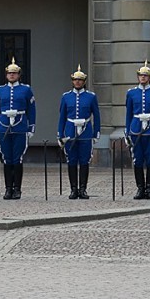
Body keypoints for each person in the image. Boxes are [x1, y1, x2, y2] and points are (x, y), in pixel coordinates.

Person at [0, 58, 36, 200]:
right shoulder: (0, 90)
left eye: (14, 73)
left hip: (20, 125)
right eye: (9, 73)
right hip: (4, 125)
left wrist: (31, 127)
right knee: (6, 158)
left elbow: (31, 109)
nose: (12, 75)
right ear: (6, 75)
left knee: (17, 158)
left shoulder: (26, 89)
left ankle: (17, 189)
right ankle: (8, 188)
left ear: (19, 75)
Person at [57, 65, 101, 199]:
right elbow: (62, 117)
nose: (77, 82)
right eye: (75, 80)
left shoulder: (91, 97)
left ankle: (83, 189)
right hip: (70, 131)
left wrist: (96, 133)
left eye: (80, 80)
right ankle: (73, 189)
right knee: (71, 161)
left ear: (84, 82)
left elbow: (97, 116)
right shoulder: (66, 97)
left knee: (84, 161)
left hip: (86, 132)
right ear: (72, 81)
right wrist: (60, 134)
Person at [125, 60, 150, 200]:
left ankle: (149, 189)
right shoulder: (131, 93)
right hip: (135, 128)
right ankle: (140, 188)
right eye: (141, 75)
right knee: (137, 160)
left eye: (145, 76)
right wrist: (127, 131)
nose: (143, 78)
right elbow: (128, 114)